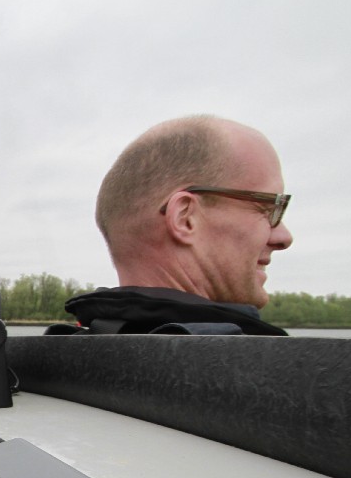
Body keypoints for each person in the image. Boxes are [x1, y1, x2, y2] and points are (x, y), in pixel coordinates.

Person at [61, 115, 294, 335]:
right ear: (185, 218)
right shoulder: (256, 361)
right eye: (267, 209)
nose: (284, 238)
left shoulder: (63, 357)